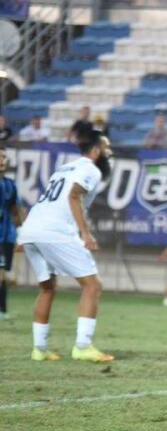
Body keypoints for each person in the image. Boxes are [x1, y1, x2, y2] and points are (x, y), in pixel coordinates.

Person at [19, 131, 115, 363]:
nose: (110, 152)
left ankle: (39, 349)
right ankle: (83, 346)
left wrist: (25, 235)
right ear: (95, 151)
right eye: (106, 148)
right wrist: (85, 233)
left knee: (47, 288)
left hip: (32, 228)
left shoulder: (64, 168)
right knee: (92, 285)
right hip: (55, 231)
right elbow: (74, 196)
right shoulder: (91, 169)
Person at [0, 146, 24, 320]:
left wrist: (21, 233)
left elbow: (15, 210)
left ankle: (3, 310)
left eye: (3, 157)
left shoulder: (10, 185)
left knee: (3, 273)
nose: (1, 160)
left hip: (6, 236)